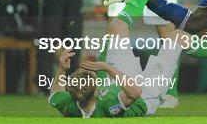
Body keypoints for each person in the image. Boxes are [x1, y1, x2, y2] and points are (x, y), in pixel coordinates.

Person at [48, 46, 180, 118]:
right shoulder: (107, 106)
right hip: (145, 96)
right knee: (175, 39)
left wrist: (62, 69)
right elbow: (135, 93)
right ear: (97, 91)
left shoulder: (68, 105)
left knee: (117, 26)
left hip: (122, 84)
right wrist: (108, 68)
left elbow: (55, 94)